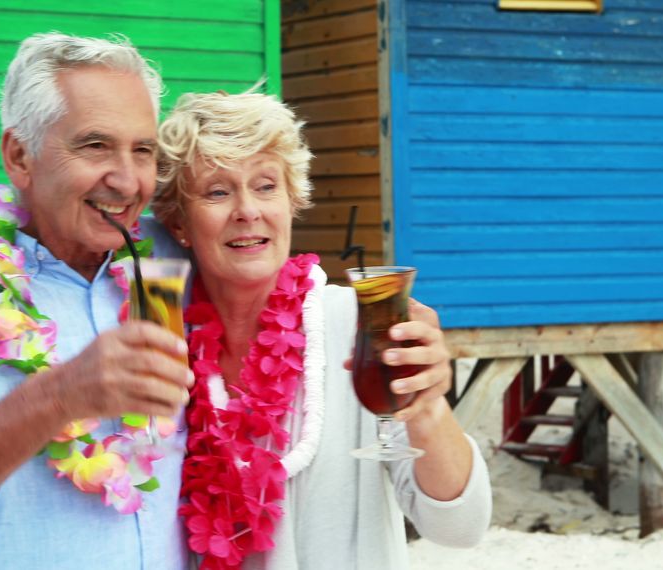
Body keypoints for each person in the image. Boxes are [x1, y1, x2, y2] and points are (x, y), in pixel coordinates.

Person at [0, 32, 460, 570]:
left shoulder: (164, 267)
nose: (126, 180)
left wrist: (388, 330)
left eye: (143, 151)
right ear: (19, 155)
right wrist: (60, 395)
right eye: (95, 146)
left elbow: (252, 250)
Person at [152, 91, 491, 569]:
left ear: (292, 201)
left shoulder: (362, 326)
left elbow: (460, 527)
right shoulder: (164, 340)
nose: (247, 210)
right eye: (217, 191)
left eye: (266, 185)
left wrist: (428, 408)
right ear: (179, 223)